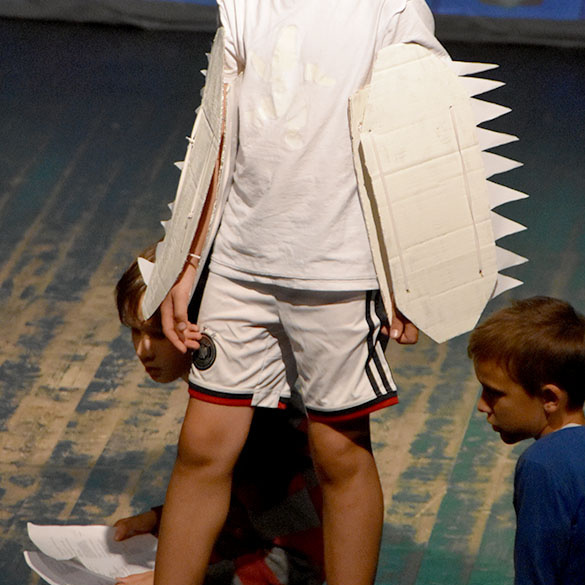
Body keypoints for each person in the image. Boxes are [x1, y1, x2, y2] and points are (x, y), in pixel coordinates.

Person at [155, 2, 449, 585]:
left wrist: (410, 269)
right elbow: (217, 134)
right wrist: (185, 265)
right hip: (240, 265)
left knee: (339, 452)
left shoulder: (392, 8)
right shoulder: (246, 4)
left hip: (339, 270)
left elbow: (422, 134)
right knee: (202, 446)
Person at [113, 248, 324, 585]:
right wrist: (160, 521)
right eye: (135, 331)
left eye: (158, 332)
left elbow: (300, 562)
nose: (142, 350)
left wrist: (180, 579)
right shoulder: (243, 409)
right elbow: (243, 514)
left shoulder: (263, 430)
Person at [468, 296, 585, 585]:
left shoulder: (543, 466)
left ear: (549, 398)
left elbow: (536, 575)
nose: (482, 405)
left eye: (493, 392)